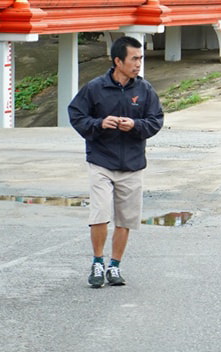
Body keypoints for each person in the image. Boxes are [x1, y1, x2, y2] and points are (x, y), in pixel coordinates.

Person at [68, 35, 164, 288]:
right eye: (134, 59)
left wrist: (135, 125)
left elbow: (156, 121)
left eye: (140, 58)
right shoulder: (94, 88)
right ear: (118, 61)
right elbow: (76, 115)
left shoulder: (145, 90)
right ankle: (98, 262)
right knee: (100, 213)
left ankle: (115, 267)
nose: (138, 64)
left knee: (126, 220)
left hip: (132, 165)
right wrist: (99, 123)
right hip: (101, 162)